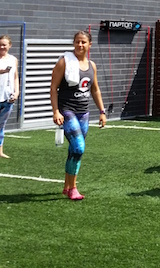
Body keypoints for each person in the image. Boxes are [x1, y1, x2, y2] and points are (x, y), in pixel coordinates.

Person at [50, 31, 107, 200]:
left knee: (75, 151)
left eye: (83, 42)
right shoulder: (64, 63)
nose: (79, 45)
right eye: (77, 42)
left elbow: (95, 89)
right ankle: (74, 188)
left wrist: (102, 112)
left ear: (90, 45)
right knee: (79, 147)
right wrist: (55, 111)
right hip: (67, 110)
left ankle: (67, 187)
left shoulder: (92, 66)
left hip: (84, 112)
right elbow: (53, 88)